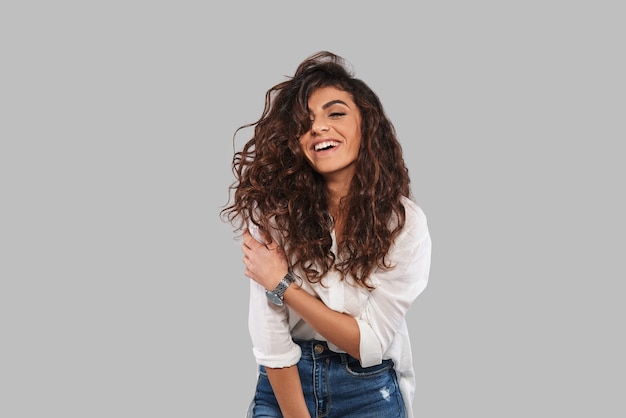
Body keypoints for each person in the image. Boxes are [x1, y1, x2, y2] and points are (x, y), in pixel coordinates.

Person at [221, 51, 431, 418]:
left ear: (367, 124)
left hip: (367, 388)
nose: (319, 127)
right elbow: (269, 335)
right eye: (305, 122)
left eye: (335, 113)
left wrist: (282, 284)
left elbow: (370, 343)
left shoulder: (403, 223)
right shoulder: (271, 211)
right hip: (284, 383)